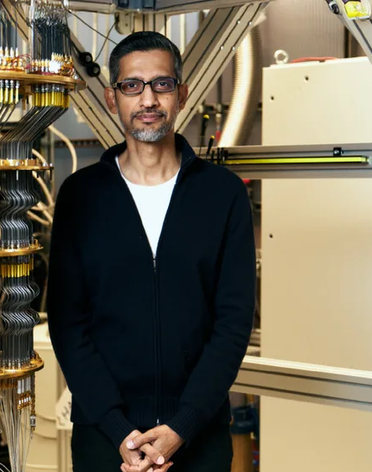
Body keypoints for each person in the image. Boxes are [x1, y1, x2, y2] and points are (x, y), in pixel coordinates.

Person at [47, 31, 256, 472]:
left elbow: (233, 324)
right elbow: (69, 325)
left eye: (161, 84)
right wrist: (117, 427)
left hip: (199, 436)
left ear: (180, 95)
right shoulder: (80, 196)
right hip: (106, 439)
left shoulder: (222, 194)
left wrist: (183, 425)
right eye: (132, 85)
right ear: (111, 98)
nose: (147, 99)